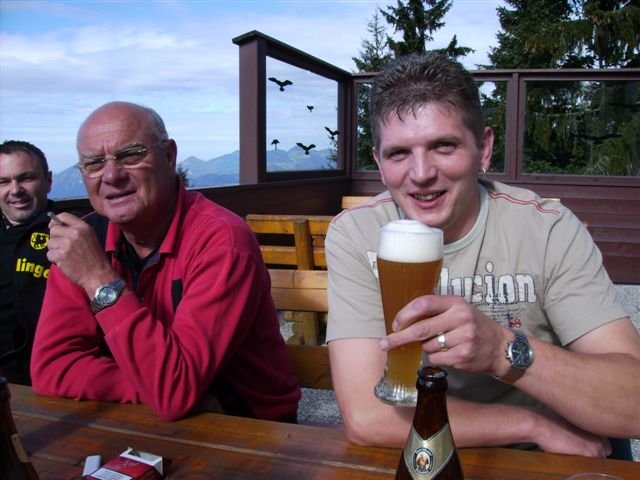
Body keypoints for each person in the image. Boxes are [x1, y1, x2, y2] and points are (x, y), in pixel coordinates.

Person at [326, 53, 640, 458]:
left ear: (484, 149)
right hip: (446, 447)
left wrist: (501, 350)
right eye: (399, 153)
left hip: (552, 458)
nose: (421, 173)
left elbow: (633, 403)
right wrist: (530, 423)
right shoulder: (357, 233)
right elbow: (368, 418)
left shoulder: (547, 228)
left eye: (443, 145)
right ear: (379, 164)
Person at [30, 101, 301, 422]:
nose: (112, 175)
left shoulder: (222, 240)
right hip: (150, 414)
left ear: (169, 156)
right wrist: (149, 387)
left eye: (131, 155)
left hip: (247, 426)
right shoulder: (84, 240)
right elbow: (52, 367)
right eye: (94, 163)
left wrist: (98, 279)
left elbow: (174, 390)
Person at [0, 140, 54, 385]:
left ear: (48, 181)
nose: (15, 190)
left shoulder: (75, 232)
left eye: (26, 178)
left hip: (40, 381)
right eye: (3, 182)